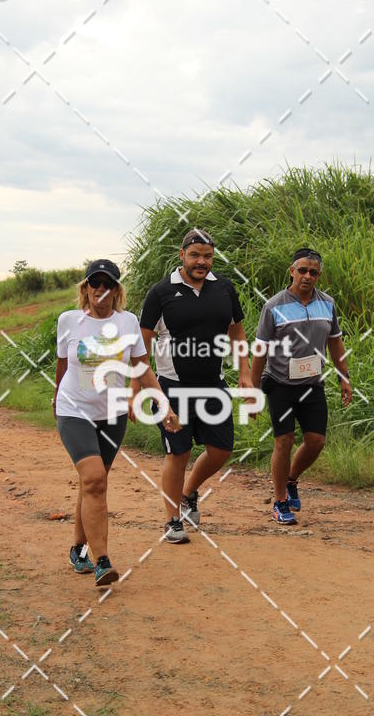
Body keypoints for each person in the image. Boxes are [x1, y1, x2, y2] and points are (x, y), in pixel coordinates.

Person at [53, 258, 181, 587]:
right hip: (74, 410)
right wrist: (56, 398)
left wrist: (162, 402)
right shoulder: (69, 321)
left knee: (92, 482)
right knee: (95, 479)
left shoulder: (128, 322)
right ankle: (102, 562)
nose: (100, 288)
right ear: (85, 288)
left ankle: (78, 549)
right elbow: (62, 365)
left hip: (112, 414)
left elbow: (141, 367)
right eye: (94, 283)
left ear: (116, 290)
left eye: (107, 283)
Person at [134, 229, 254, 544]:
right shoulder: (160, 293)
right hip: (173, 388)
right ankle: (172, 520)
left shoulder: (224, 289)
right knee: (179, 452)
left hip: (214, 386)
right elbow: (140, 348)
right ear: (182, 255)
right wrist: (140, 390)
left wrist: (244, 371)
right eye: (195, 255)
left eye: (208, 256)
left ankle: (188, 493)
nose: (202, 262)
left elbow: (237, 333)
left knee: (221, 450)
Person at [251, 247, 352, 525]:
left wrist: (344, 377)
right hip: (280, 383)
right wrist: (252, 392)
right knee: (283, 441)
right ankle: (280, 501)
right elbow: (260, 351)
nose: (308, 276)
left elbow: (335, 342)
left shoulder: (327, 304)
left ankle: (291, 479)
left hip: (312, 384)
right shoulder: (274, 306)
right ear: (292, 271)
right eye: (303, 270)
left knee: (316, 442)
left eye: (314, 272)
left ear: (319, 275)